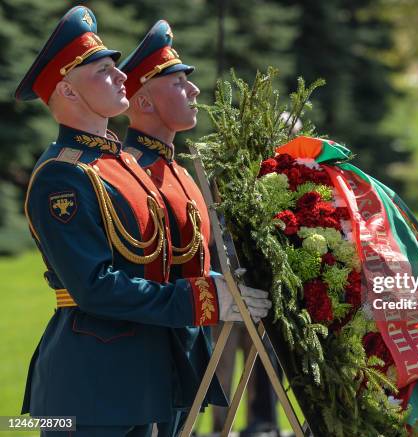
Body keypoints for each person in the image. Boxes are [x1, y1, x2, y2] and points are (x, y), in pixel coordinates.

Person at [16, 7, 270, 436]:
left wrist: (231, 286)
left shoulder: (120, 163)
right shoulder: (63, 174)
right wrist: (202, 299)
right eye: (103, 71)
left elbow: (169, 261)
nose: (120, 78)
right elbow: (94, 286)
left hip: (152, 372)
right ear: (68, 91)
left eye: (116, 68)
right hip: (92, 383)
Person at [117, 20, 275, 436]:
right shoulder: (128, 174)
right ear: (144, 102)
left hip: (180, 357)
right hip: (137, 361)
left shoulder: (180, 172)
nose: (195, 91)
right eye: (178, 82)